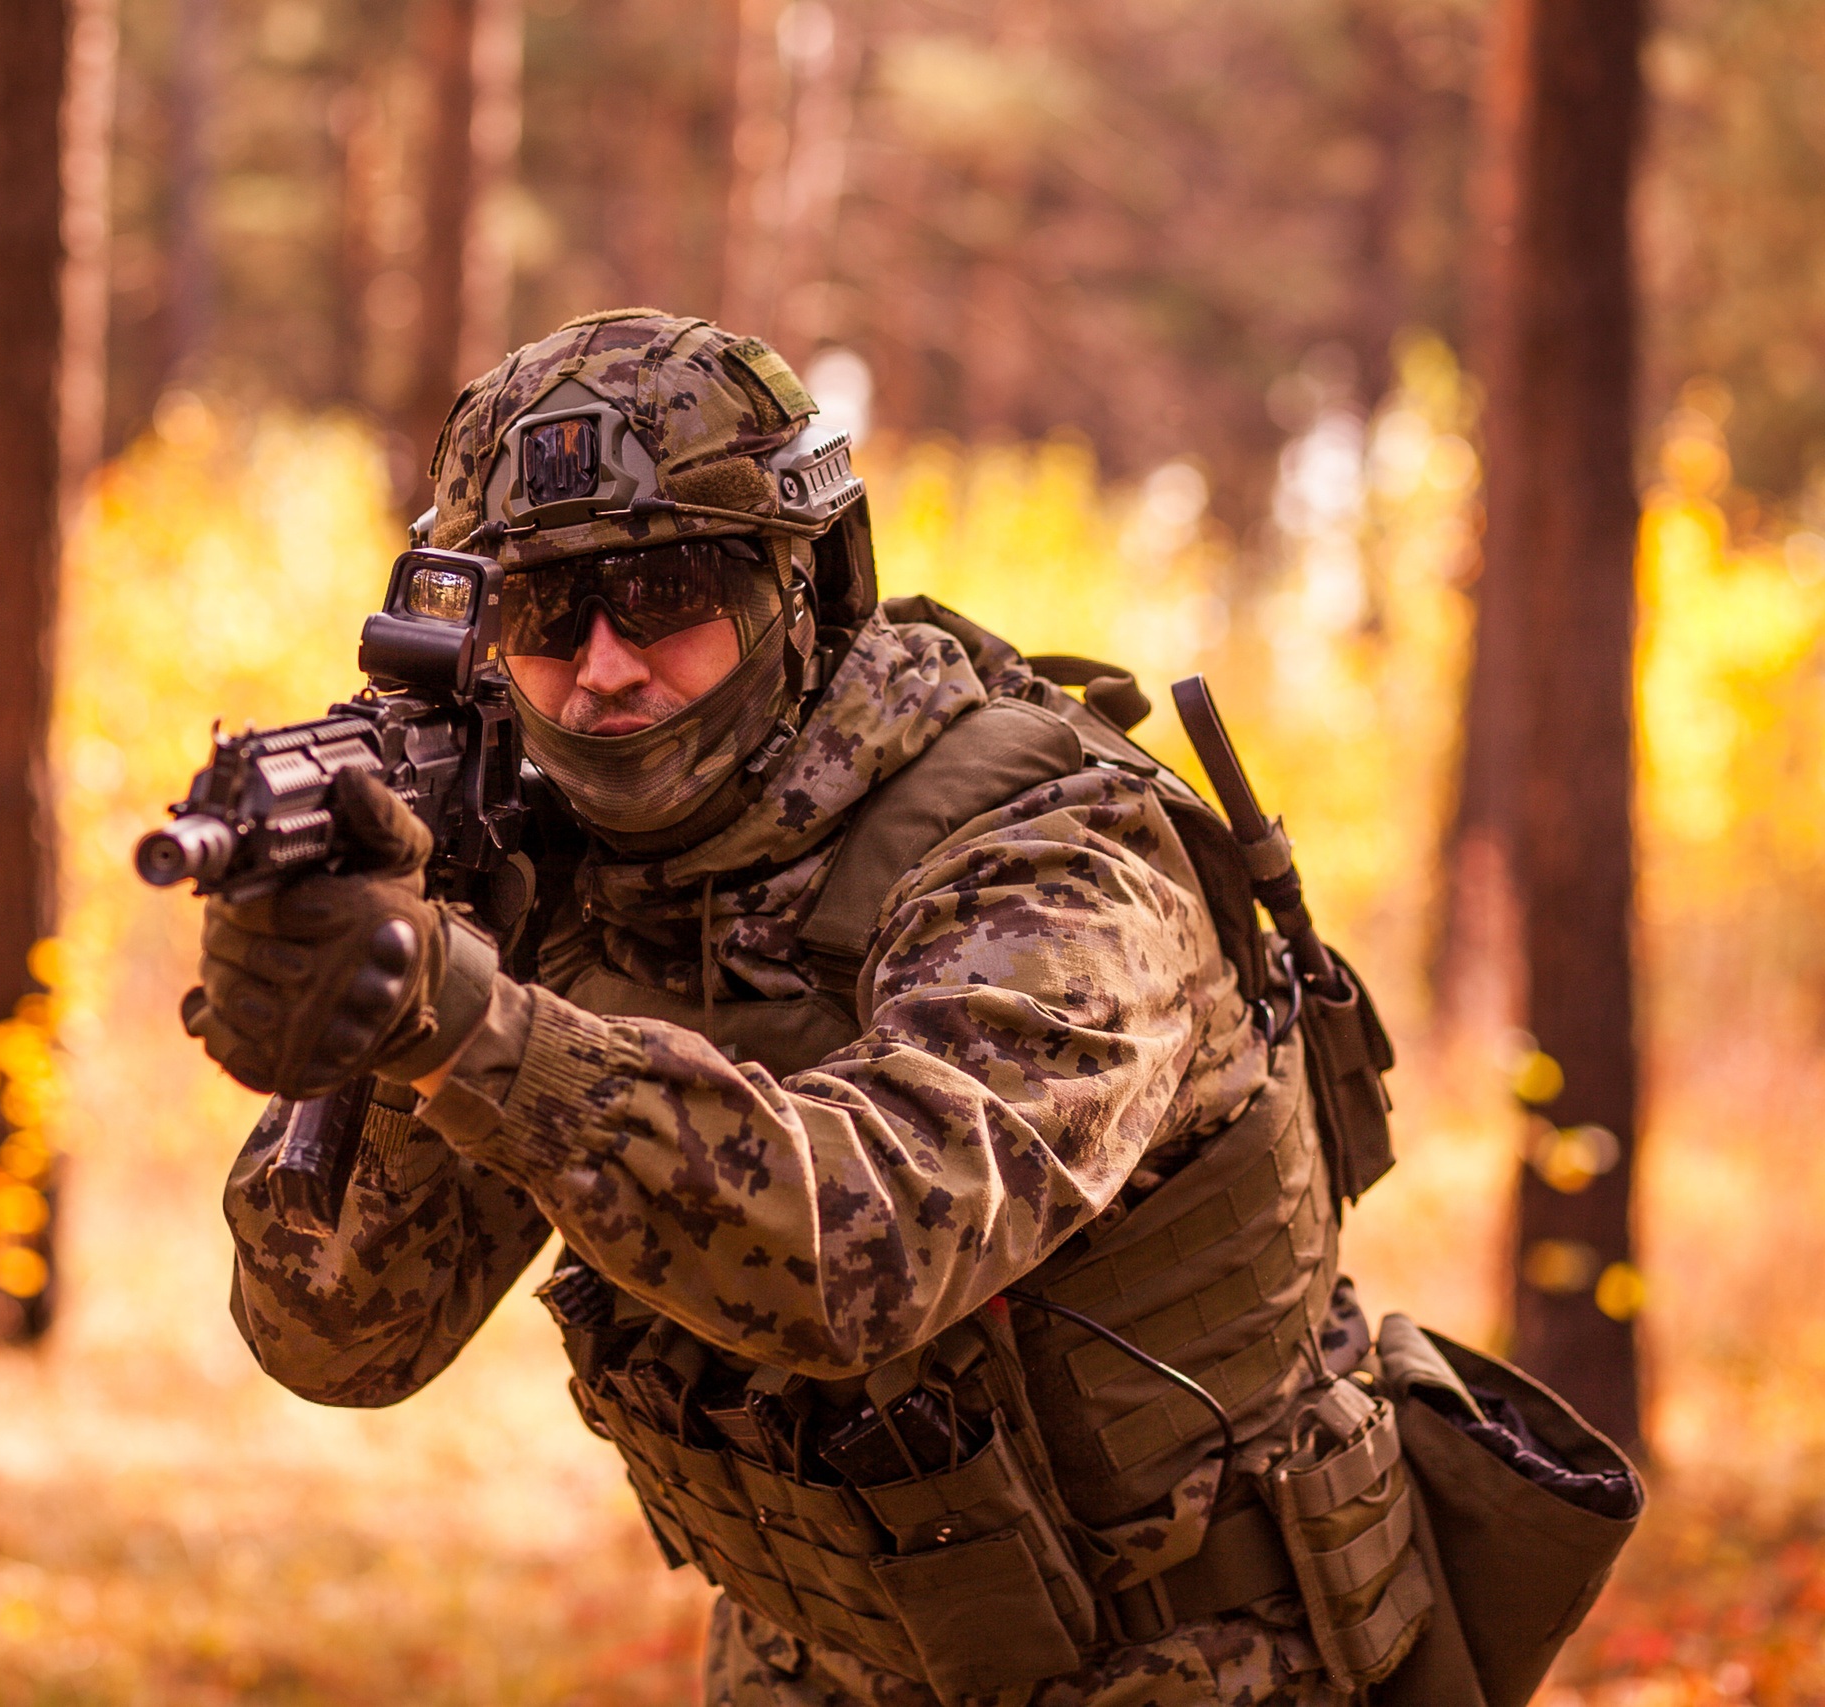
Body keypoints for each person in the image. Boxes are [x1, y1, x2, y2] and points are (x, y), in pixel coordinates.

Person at [180, 310, 1431, 1705]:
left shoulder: (1051, 854)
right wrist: (378, 1039)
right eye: (542, 613)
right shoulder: (565, 878)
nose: (601, 667)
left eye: (665, 597)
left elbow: (869, 1244)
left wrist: (464, 1021)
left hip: (1202, 1661)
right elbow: (345, 1342)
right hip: (825, 1661)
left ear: (806, 587)